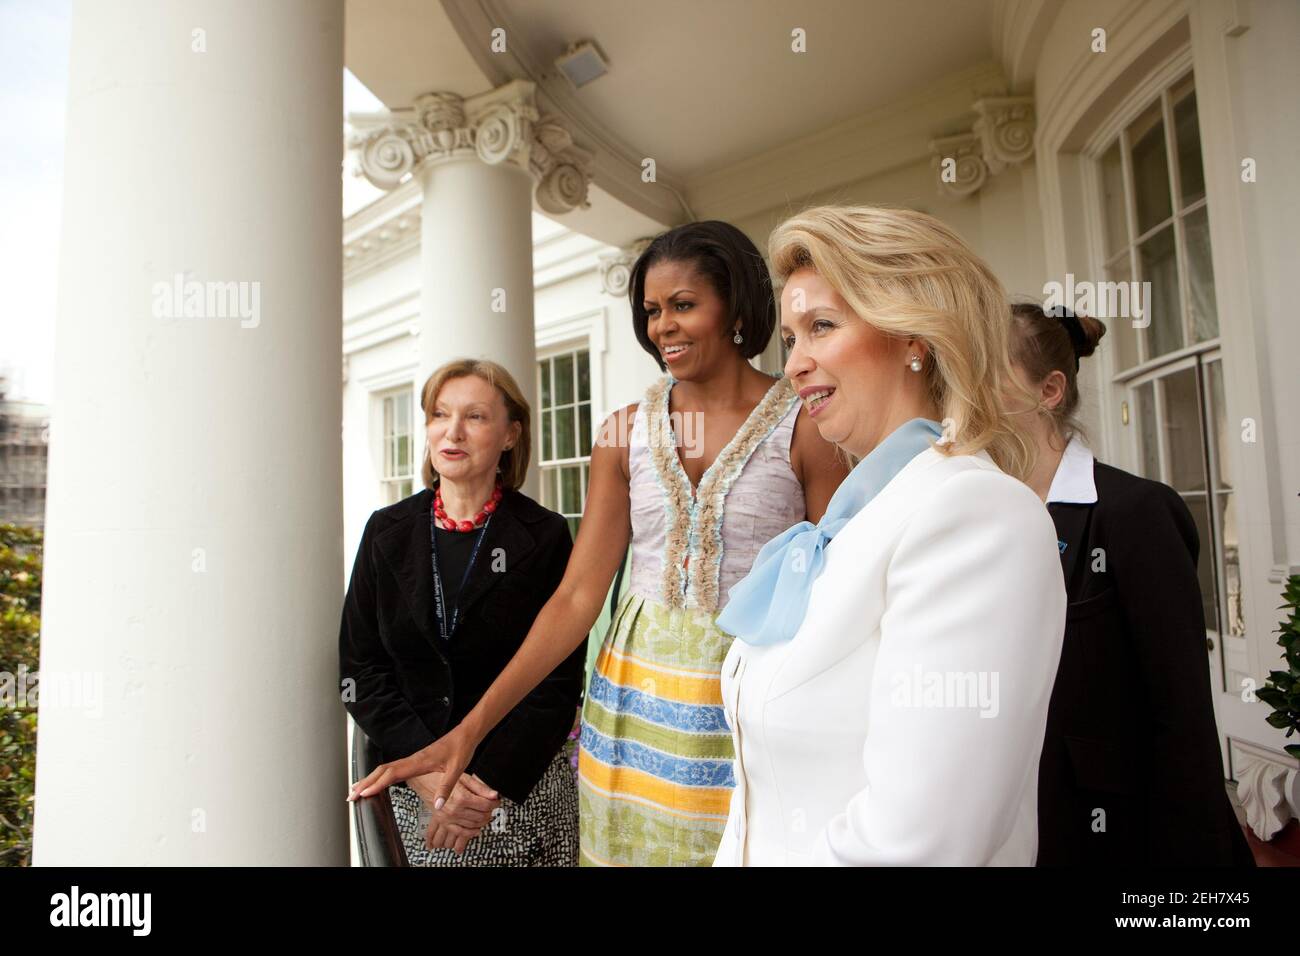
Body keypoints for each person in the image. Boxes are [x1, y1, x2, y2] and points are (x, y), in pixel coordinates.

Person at [351, 220, 847, 866]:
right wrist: (468, 734)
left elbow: (835, 590)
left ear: (735, 305)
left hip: (748, 703)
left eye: (683, 305)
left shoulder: (806, 426)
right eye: (650, 311)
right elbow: (577, 598)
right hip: (629, 711)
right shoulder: (622, 434)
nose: (662, 326)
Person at [711, 204, 1066, 866]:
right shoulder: (856, 522)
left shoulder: (974, 514)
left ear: (914, 338)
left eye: (821, 326)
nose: (794, 364)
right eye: (790, 338)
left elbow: (920, 842)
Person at [1008, 302, 1255, 866]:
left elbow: (1182, 715)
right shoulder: (984, 519)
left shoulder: (1135, 512)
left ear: (1049, 391)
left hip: (1125, 840)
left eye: (985, 375)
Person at [341, 359, 583, 866]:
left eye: (474, 417)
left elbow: (557, 682)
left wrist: (484, 786)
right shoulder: (386, 532)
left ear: (511, 433)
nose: (451, 431)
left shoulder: (545, 536)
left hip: (519, 795)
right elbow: (359, 672)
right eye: (439, 414)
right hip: (420, 802)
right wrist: (430, 776)